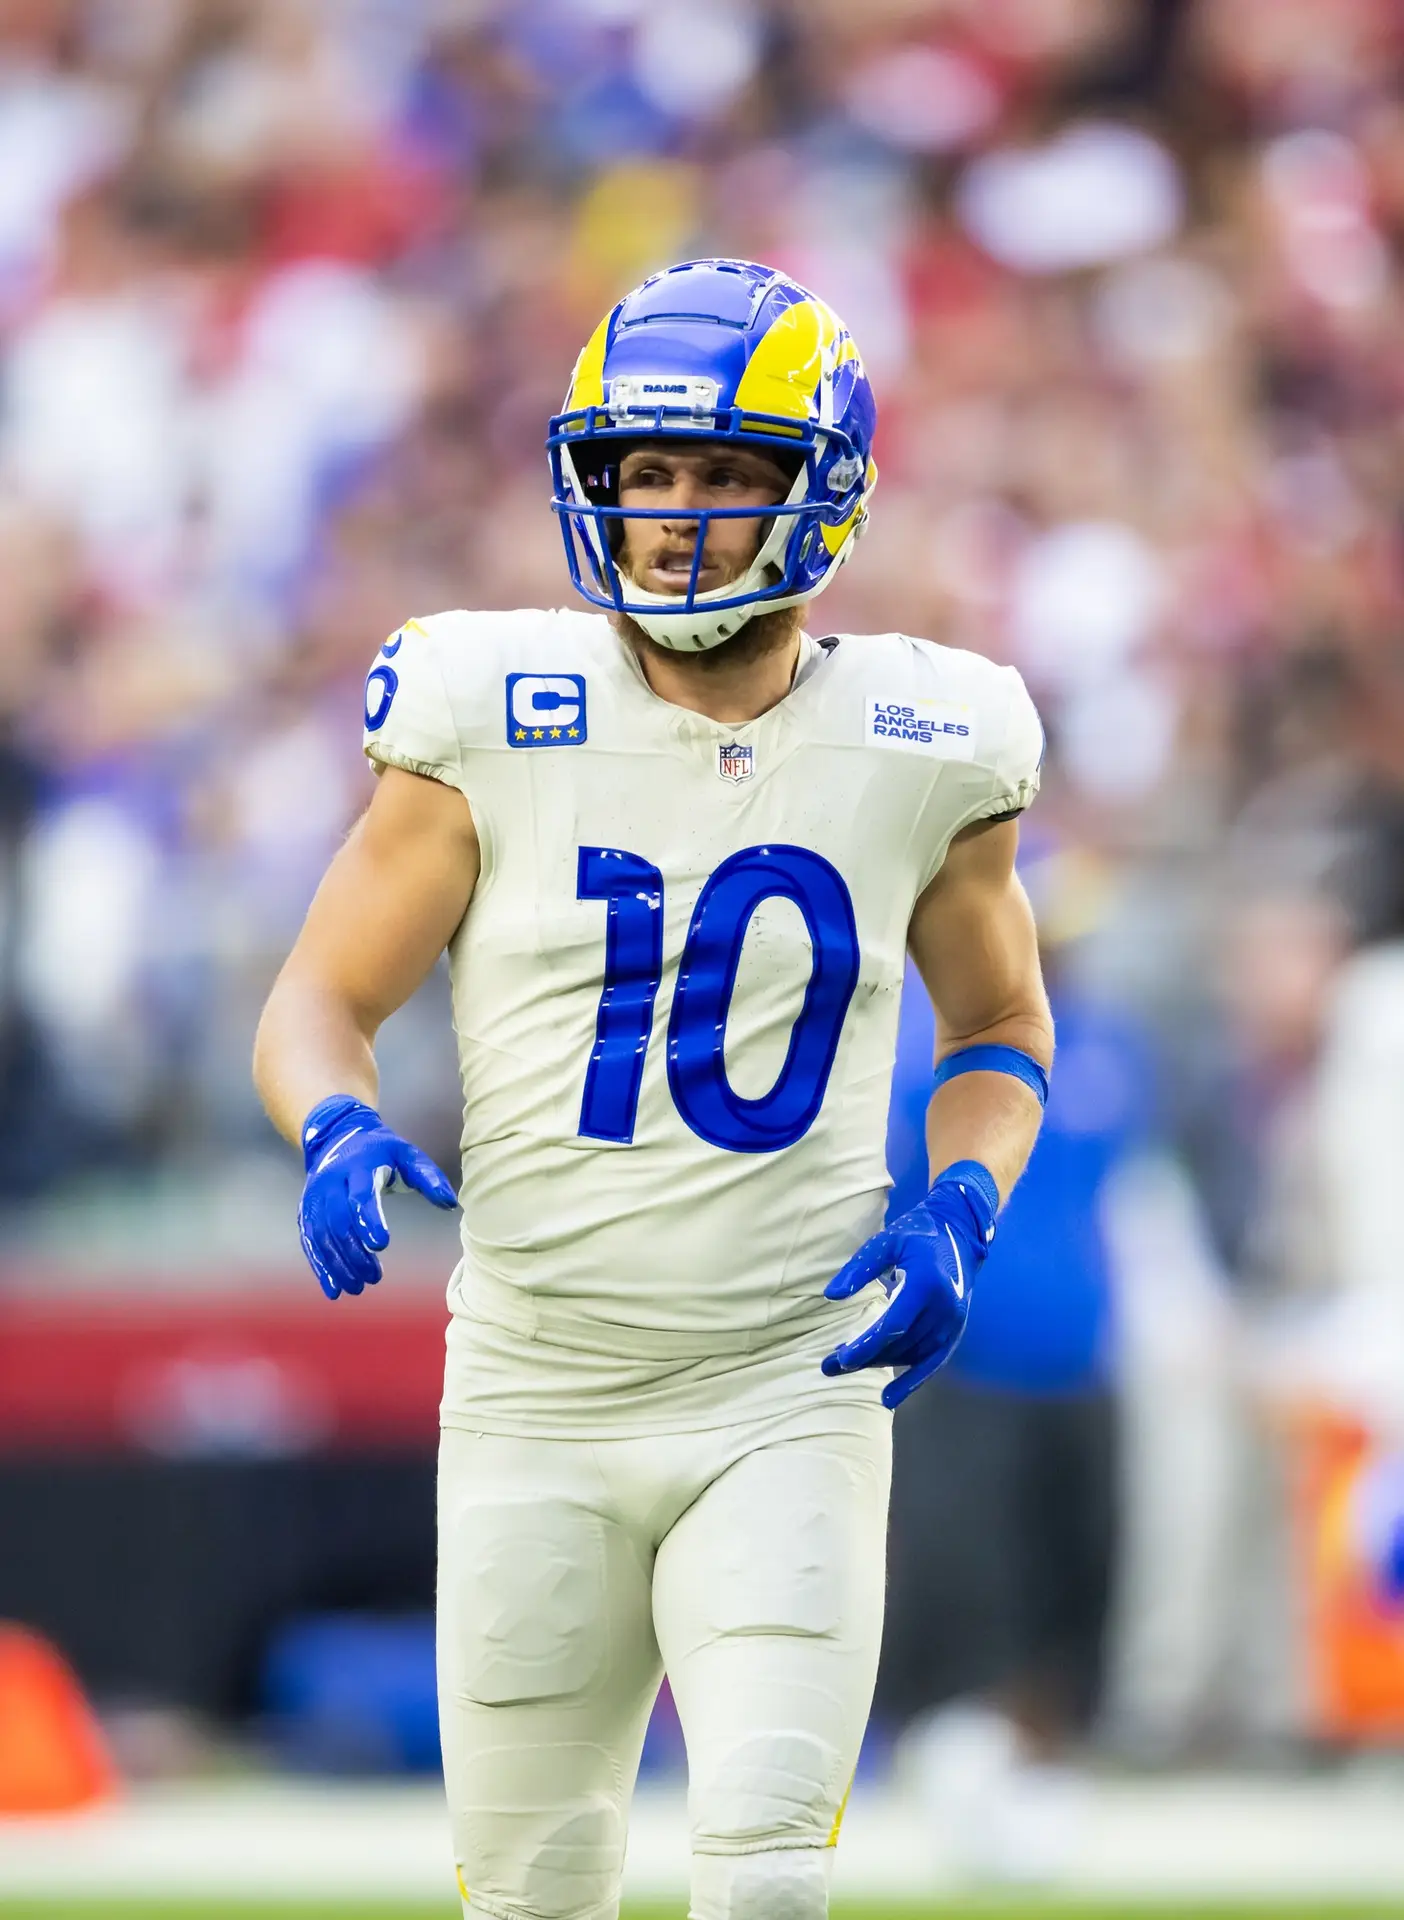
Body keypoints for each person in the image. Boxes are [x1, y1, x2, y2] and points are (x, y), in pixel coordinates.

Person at [253, 258, 1053, 1920]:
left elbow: (999, 1034)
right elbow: (320, 998)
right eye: (650, 468)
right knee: (531, 1893)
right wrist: (331, 1120)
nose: (678, 511)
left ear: (818, 491)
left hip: (790, 1377)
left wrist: (963, 1203)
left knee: (766, 1881)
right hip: (538, 1385)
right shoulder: (491, 711)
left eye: (728, 471)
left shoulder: (929, 738)